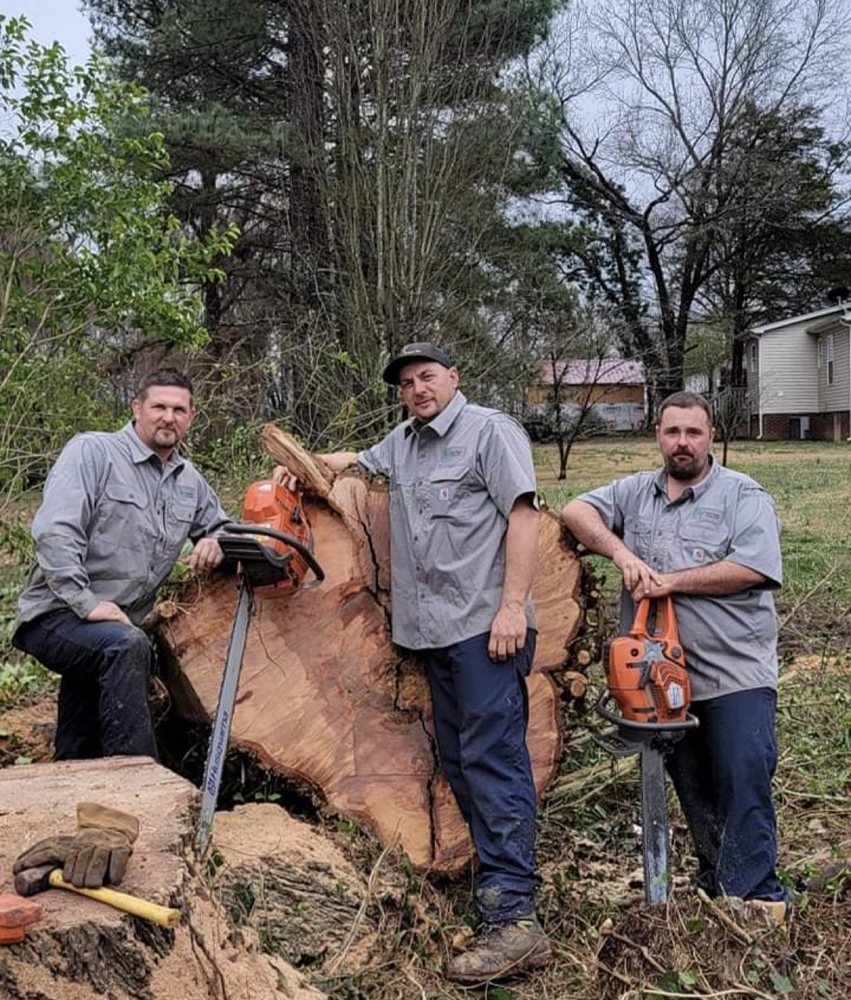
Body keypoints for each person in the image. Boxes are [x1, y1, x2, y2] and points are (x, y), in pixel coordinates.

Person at [277, 342, 550, 983]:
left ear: (453, 376)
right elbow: (354, 462)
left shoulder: (490, 432)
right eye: (406, 383)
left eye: (427, 377)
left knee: (493, 758)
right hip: (433, 634)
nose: (418, 389)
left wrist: (512, 607)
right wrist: (301, 468)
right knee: (459, 759)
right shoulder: (402, 444)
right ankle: (496, 888)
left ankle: (516, 917)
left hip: (486, 629)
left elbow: (523, 516)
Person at [561, 390, 789, 922]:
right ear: (658, 436)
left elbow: (753, 568)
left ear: (711, 437)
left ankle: (759, 901)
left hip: (734, 671)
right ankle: (718, 888)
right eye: (672, 432)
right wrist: (621, 552)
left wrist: (671, 581)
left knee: (742, 776)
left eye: (693, 432)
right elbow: (575, 510)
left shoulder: (742, 496)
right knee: (693, 785)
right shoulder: (635, 492)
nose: (682, 442)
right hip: (659, 680)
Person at [13, 369, 232, 761]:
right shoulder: (93, 453)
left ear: (191, 417)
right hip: (56, 612)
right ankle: (137, 778)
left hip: (114, 624)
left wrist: (216, 540)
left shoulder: (189, 481)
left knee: (86, 716)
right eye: (159, 407)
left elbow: (225, 528)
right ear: (136, 408)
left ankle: (73, 772)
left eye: (179, 410)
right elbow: (54, 531)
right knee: (125, 646)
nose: (168, 417)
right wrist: (88, 604)